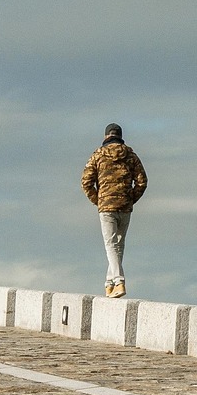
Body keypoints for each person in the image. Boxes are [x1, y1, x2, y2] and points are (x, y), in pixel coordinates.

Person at [81, 123, 147, 298]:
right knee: (118, 245)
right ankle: (109, 284)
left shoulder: (98, 155)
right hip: (125, 206)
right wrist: (130, 198)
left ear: (105, 137)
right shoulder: (131, 155)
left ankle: (119, 281)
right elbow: (142, 181)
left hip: (106, 207)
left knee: (111, 244)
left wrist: (98, 200)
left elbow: (86, 181)